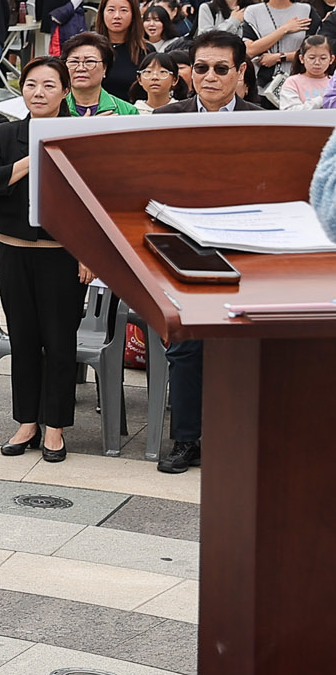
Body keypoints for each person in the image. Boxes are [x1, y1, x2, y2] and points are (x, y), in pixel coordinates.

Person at [149, 28, 274, 475]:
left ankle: (240, 438)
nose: (210, 77)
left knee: (248, 346)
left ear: (241, 71)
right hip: (186, 249)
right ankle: (186, 440)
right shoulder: (166, 118)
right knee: (186, 345)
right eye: (200, 68)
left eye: (222, 69)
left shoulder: (264, 120)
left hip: (247, 249)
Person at [0, 55, 94, 462]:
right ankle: (27, 421)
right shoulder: (5, 135)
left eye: (47, 85)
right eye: (30, 85)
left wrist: (88, 252)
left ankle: (55, 426)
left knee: (59, 341)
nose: (38, 93)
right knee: (22, 338)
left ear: (64, 91)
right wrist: (32, 157)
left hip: (62, 255)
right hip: (13, 250)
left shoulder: (81, 135)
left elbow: (94, 200)